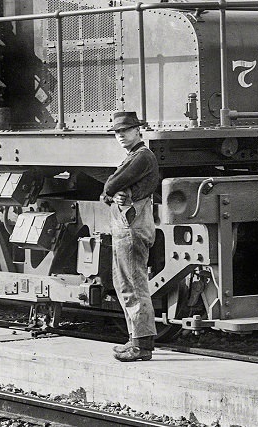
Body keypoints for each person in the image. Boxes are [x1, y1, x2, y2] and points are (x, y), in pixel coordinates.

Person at [101, 111, 159, 362]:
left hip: (132, 228)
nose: (121, 135)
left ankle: (142, 345)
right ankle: (135, 340)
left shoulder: (142, 156)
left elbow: (112, 183)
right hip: (129, 226)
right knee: (126, 285)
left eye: (125, 130)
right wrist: (115, 192)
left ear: (138, 131)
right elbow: (117, 187)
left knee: (133, 285)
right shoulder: (135, 156)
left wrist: (111, 191)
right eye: (117, 132)